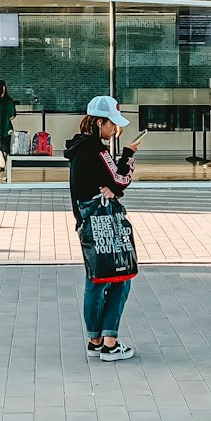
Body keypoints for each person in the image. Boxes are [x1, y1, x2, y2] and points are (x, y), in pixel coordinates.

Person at [64, 95, 140, 362]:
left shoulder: (79, 149)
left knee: (95, 280)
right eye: (111, 125)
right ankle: (110, 343)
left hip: (86, 222)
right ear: (98, 122)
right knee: (120, 277)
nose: (114, 130)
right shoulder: (96, 150)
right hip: (104, 223)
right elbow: (120, 179)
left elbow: (112, 184)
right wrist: (129, 154)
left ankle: (95, 340)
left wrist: (114, 187)